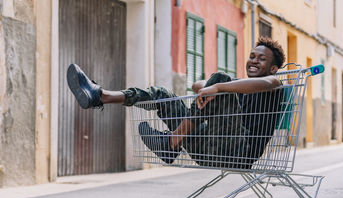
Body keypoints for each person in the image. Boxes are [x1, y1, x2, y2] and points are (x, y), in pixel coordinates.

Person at [67, 37, 286, 169]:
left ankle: (171, 143)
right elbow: (196, 86)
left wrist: (218, 85)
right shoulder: (237, 86)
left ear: (273, 68)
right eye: (252, 56)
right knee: (163, 94)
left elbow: (265, 84)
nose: (254, 60)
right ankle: (101, 95)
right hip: (207, 149)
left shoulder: (275, 83)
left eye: (261, 58)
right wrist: (213, 86)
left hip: (238, 153)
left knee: (220, 78)